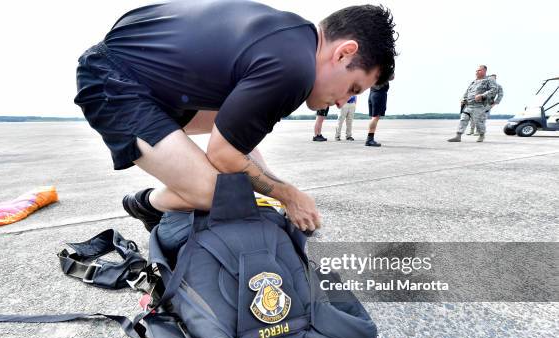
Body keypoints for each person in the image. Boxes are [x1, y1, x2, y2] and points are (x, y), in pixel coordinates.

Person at [74, 1, 397, 234]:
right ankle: (147, 204)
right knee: (218, 195)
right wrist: (288, 195)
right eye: (353, 87)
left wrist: (279, 187)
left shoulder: (292, 37)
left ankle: (174, 195)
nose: (344, 102)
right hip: (116, 81)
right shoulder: (293, 69)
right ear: (344, 53)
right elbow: (223, 154)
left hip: (152, 75)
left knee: (235, 181)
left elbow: (237, 141)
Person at [448, 65, 497, 143]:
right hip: (469, 105)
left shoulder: (489, 80)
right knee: (463, 119)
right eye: (476, 70)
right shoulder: (474, 82)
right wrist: (463, 99)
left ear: (484, 71)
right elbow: (467, 91)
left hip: (479, 106)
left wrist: (482, 95)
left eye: (479, 70)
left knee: (478, 122)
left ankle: (481, 135)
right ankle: (458, 136)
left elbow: (494, 90)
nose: (477, 72)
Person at [366, 74, 393, 147]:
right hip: (379, 93)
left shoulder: (371, 68)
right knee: (375, 117)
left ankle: (369, 139)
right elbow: (392, 77)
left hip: (372, 93)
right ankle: (369, 140)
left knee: (374, 117)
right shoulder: (383, 67)